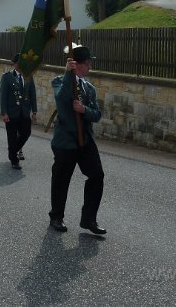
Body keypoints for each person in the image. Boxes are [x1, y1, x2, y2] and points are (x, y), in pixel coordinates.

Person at [48, 46, 106, 235]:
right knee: (61, 179)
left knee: (97, 175)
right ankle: (56, 216)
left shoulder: (89, 88)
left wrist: (84, 110)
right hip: (66, 141)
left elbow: (96, 115)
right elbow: (62, 98)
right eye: (88, 64)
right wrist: (67, 74)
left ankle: (89, 219)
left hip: (85, 140)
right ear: (78, 65)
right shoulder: (59, 82)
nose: (90, 67)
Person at [0, 53, 37, 170]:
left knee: (26, 133)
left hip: (25, 112)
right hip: (11, 112)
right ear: (14, 64)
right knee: (11, 136)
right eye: (18, 63)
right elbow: (3, 96)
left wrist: (34, 111)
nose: (20, 65)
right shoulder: (7, 77)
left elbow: (33, 94)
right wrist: (4, 113)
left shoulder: (29, 76)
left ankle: (12, 151)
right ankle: (14, 160)